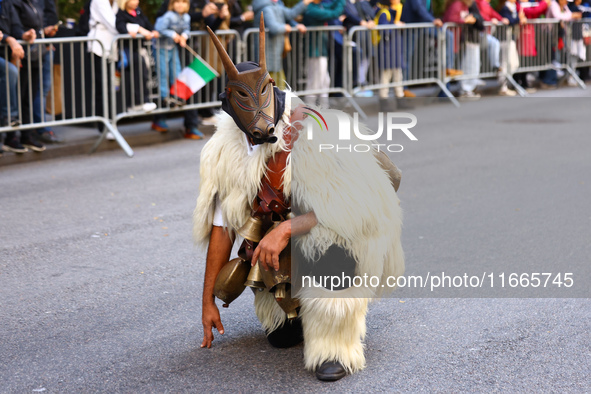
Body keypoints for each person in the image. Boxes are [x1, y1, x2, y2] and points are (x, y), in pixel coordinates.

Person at [195, 18, 404, 382]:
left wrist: (288, 227)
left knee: (329, 245)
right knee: (281, 336)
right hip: (285, 244)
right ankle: (294, 310)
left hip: (345, 230)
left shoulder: (316, 130)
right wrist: (207, 301)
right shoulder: (224, 149)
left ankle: (336, 344)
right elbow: (221, 226)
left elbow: (348, 208)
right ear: (229, 104)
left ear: (272, 91)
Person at [152, 0, 206, 139]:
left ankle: (175, 96)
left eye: (183, 2)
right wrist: (173, 34)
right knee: (163, 74)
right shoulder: (168, 15)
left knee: (177, 72)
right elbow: (159, 28)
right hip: (161, 48)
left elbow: (186, 29)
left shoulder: (187, 17)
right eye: (177, 2)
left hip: (173, 48)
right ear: (172, 4)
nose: (180, 5)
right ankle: (165, 97)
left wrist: (184, 36)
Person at [4, 0, 48, 153]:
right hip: (13, 55)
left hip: (30, 53)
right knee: (14, 97)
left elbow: (15, 27)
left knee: (28, 95)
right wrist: (10, 39)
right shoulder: (15, 3)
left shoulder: (27, 3)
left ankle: (26, 134)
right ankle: (10, 136)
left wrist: (25, 34)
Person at [252, 0, 311, 89]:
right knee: (271, 86)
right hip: (267, 55)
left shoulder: (276, 6)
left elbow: (290, 14)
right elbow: (273, 27)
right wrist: (285, 27)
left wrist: (304, 3)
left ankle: (281, 101)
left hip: (275, 55)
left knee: (280, 84)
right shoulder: (266, 9)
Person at [115, 0, 159, 112]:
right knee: (134, 77)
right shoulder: (120, 14)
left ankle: (143, 101)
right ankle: (137, 102)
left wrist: (152, 31)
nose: (136, 2)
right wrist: (133, 30)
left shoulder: (138, 11)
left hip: (139, 49)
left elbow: (148, 25)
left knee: (143, 75)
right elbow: (121, 28)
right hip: (127, 51)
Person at [401, 0, 463, 78]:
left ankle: (447, 68)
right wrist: (432, 20)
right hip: (412, 27)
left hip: (425, 25)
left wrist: (432, 20)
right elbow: (418, 8)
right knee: (407, 57)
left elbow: (428, 10)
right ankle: (403, 87)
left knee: (448, 35)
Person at [302, 0, 346, 107]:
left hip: (320, 50)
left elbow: (333, 7)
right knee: (315, 83)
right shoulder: (311, 9)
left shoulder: (319, 6)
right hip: (315, 51)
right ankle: (309, 109)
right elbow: (333, 13)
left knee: (325, 81)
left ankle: (323, 107)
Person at [87, 0, 119, 138]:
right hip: (98, 47)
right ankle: (105, 125)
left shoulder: (116, 2)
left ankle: (112, 122)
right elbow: (113, 23)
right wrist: (135, 28)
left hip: (111, 47)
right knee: (102, 87)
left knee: (111, 86)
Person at [443, 0, 485, 98]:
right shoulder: (458, 4)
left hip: (457, 40)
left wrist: (469, 19)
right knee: (451, 65)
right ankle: (451, 92)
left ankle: (449, 92)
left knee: (453, 64)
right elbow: (451, 18)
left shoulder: (465, 5)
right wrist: (466, 20)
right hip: (452, 40)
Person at [374, 0, 406, 110]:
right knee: (385, 77)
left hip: (394, 51)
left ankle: (400, 98)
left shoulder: (390, 12)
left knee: (398, 75)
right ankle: (384, 101)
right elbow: (384, 31)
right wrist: (395, 25)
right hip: (387, 52)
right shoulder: (384, 13)